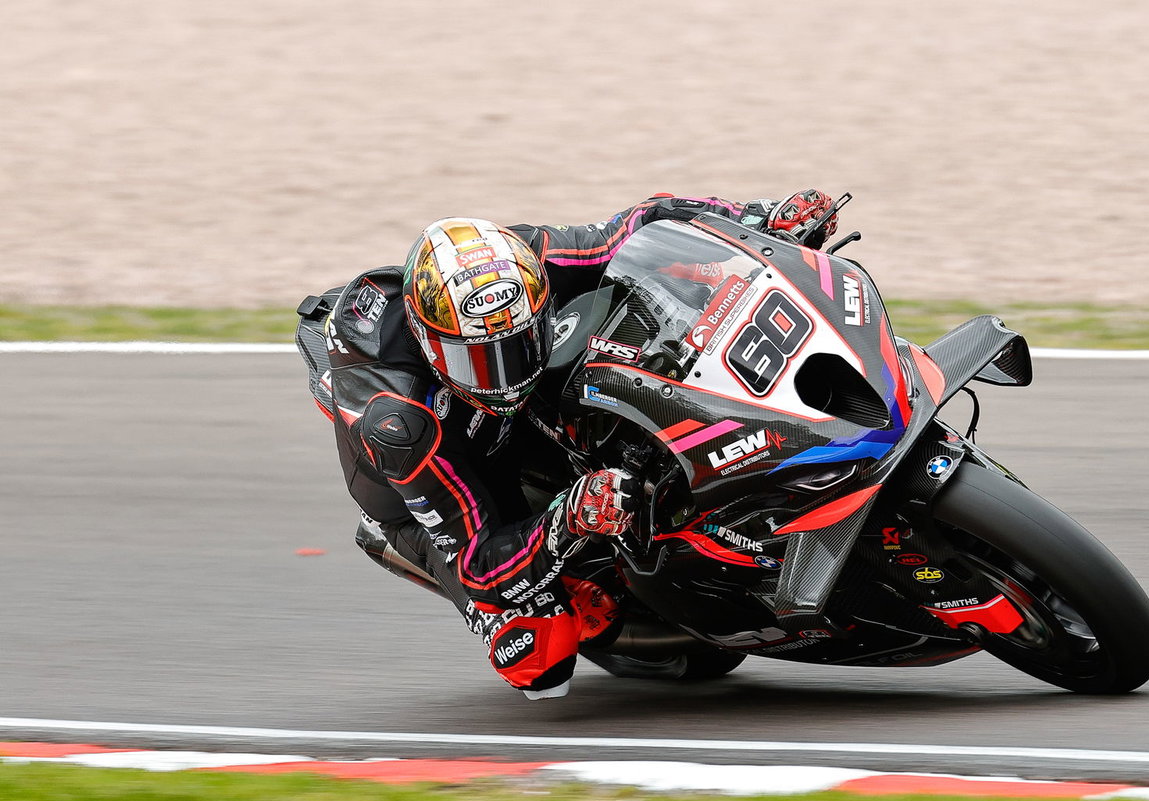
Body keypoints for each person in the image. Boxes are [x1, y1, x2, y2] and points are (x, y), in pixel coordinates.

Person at [297, 191, 841, 699]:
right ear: (430, 344)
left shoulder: (524, 261)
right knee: (537, 654)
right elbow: (480, 560)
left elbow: (643, 224)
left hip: (527, 417)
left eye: (518, 343)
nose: (504, 375)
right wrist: (570, 518)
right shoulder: (400, 420)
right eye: (479, 360)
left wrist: (757, 218)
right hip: (451, 487)